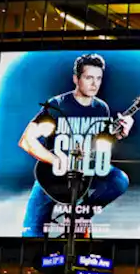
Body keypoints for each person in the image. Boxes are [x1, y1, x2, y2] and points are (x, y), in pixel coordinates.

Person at [17, 53, 133, 238]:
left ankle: (79, 215)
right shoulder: (57, 105)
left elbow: (99, 144)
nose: (94, 84)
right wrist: (57, 161)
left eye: (98, 78)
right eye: (89, 78)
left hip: (85, 172)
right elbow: (27, 141)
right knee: (30, 236)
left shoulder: (101, 108)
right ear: (76, 79)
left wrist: (118, 134)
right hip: (52, 176)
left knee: (119, 180)